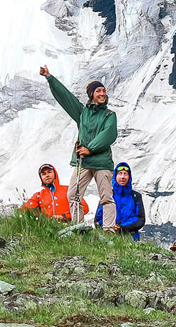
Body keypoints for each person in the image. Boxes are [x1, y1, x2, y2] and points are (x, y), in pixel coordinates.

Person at [38, 65, 118, 231]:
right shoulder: (83, 113)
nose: (102, 94)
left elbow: (109, 134)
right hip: (83, 161)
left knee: (106, 197)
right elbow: (66, 98)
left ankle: (109, 229)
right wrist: (50, 78)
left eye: (103, 91)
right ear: (91, 95)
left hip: (101, 162)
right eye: (98, 91)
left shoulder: (110, 115)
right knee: (73, 195)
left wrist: (89, 148)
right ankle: (79, 228)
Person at [95, 162, 145, 240]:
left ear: (129, 177)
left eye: (125, 174)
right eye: (120, 173)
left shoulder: (136, 196)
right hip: (108, 237)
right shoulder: (108, 195)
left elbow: (140, 219)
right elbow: (98, 218)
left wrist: (123, 228)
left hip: (131, 238)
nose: (122, 177)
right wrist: (110, 228)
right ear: (115, 176)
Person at [20, 163, 88, 221]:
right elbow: (23, 210)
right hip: (49, 229)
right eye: (43, 174)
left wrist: (64, 216)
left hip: (69, 225)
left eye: (49, 172)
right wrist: (41, 218)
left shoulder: (68, 190)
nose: (47, 175)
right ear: (41, 178)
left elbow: (84, 208)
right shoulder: (39, 195)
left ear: (55, 173)